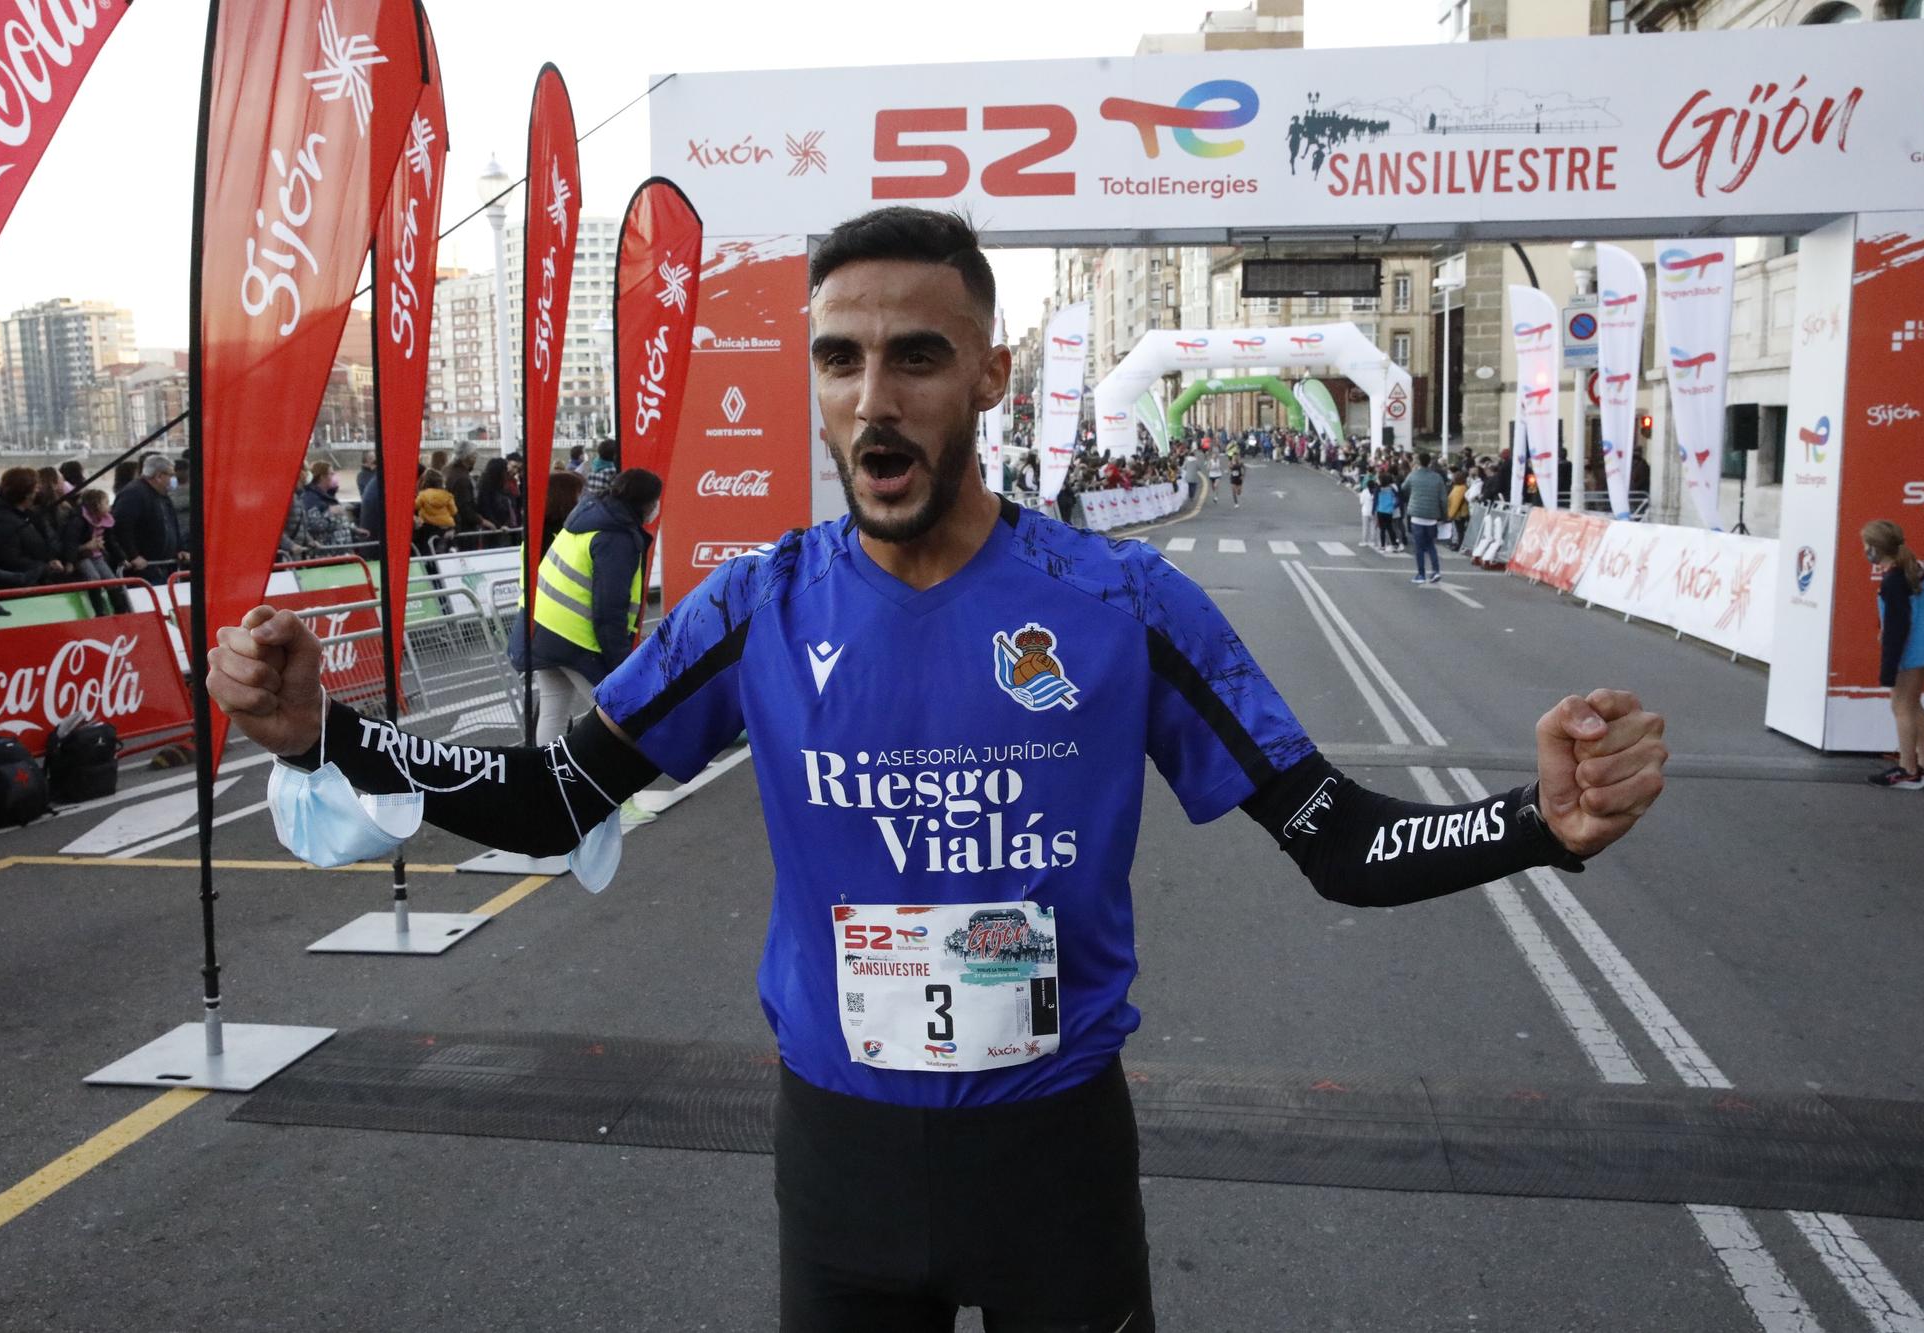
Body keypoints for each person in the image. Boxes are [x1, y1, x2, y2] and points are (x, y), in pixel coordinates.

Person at [207, 206, 1668, 1333]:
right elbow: (552, 802)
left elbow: (1337, 838)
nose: (872, 395)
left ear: (988, 372)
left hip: (1056, 1169)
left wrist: (1532, 824)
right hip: (839, 1165)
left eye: (915, 354)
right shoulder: (754, 606)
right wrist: (329, 734)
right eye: (840, 358)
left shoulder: (1122, 604)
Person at [508, 468, 662, 746]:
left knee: (553, 711)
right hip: (575, 638)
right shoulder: (616, 536)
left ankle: (548, 782)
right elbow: (609, 607)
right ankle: (615, 785)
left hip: (543, 628)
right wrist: (620, 661)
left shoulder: (585, 521)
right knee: (619, 712)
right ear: (646, 502)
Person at [1861, 520, 1924, 789]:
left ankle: (1908, 770)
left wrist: (1889, 670)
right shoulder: (1910, 569)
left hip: (1912, 651)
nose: (1864, 550)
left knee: (1901, 708)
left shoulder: (1893, 581)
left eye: (1866, 546)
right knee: (1913, 705)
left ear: (1876, 549)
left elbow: (1897, 630)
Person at [0, 468, 65, 585]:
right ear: (27, 493)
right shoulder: (1, 522)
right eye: (36, 487)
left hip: (26, 586)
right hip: (9, 593)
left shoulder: (23, 515)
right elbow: (7, 561)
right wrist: (45, 568)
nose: (38, 491)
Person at [113, 455, 186, 580]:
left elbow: (172, 524)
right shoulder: (133, 494)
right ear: (158, 476)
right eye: (171, 475)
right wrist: (133, 555)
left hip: (165, 565)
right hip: (145, 569)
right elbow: (121, 527)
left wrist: (179, 549)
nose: (174, 479)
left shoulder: (162, 494)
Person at [59, 489, 131, 614]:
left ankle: (120, 609)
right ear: (96, 505)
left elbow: (110, 541)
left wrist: (121, 557)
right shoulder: (79, 520)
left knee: (111, 579)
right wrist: (70, 561)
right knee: (94, 578)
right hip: (81, 556)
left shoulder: (105, 520)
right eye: (106, 503)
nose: (109, 506)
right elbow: (70, 541)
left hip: (97, 555)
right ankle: (99, 611)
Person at [1401, 452, 1448, 585]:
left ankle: (1421, 574)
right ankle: (1436, 571)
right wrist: (1444, 515)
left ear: (1418, 462)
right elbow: (1443, 499)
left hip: (1417, 516)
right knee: (1431, 545)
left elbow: (1403, 488)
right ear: (1430, 462)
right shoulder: (1437, 478)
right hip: (1432, 517)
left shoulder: (1413, 475)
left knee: (1419, 547)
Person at [413, 469, 458, 554]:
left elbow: (415, 506)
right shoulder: (448, 496)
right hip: (445, 527)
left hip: (426, 531)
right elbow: (454, 511)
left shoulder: (422, 495)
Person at [1373, 469, 1401, 552]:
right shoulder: (1391, 489)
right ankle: (1395, 545)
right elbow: (1397, 499)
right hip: (1389, 511)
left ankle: (1382, 545)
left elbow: (1375, 499)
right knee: (1390, 528)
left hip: (1380, 510)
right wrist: (1393, 506)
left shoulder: (1378, 489)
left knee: (1382, 529)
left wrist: (1374, 510)